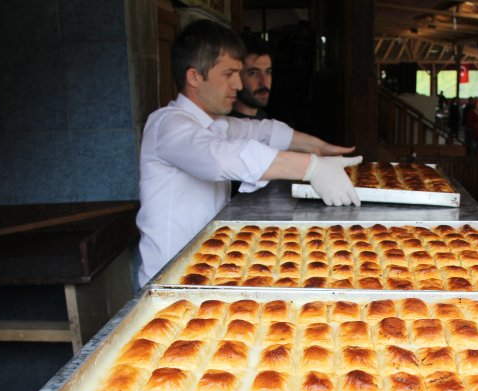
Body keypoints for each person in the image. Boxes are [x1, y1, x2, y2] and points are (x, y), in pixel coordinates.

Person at [136, 19, 361, 285]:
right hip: (168, 281)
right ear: (194, 76)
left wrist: (321, 149)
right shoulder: (168, 124)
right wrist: (312, 167)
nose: (239, 85)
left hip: (206, 268)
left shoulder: (214, 123)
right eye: (228, 74)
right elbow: (220, 157)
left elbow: (265, 132)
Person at [229, 32, 272, 119]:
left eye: (268, 72)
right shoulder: (225, 126)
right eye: (253, 73)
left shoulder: (262, 116)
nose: (264, 82)